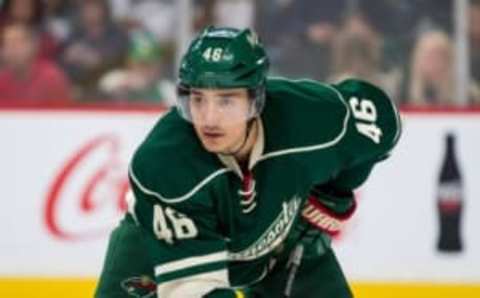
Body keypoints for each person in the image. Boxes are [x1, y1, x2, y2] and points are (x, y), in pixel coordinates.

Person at [95, 26, 401, 298]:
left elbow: (383, 122)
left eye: (226, 100)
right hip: (155, 253)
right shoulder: (164, 163)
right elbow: (195, 291)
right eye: (198, 99)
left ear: (256, 98)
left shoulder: (307, 118)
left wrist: (334, 195)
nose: (209, 118)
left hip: (279, 248)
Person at [0, 22, 71, 103]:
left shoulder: (51, 78)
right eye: (6, 45)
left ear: (32, 47)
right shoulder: (1, 81)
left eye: (16, 44)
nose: (10, 51)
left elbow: (62, 113)